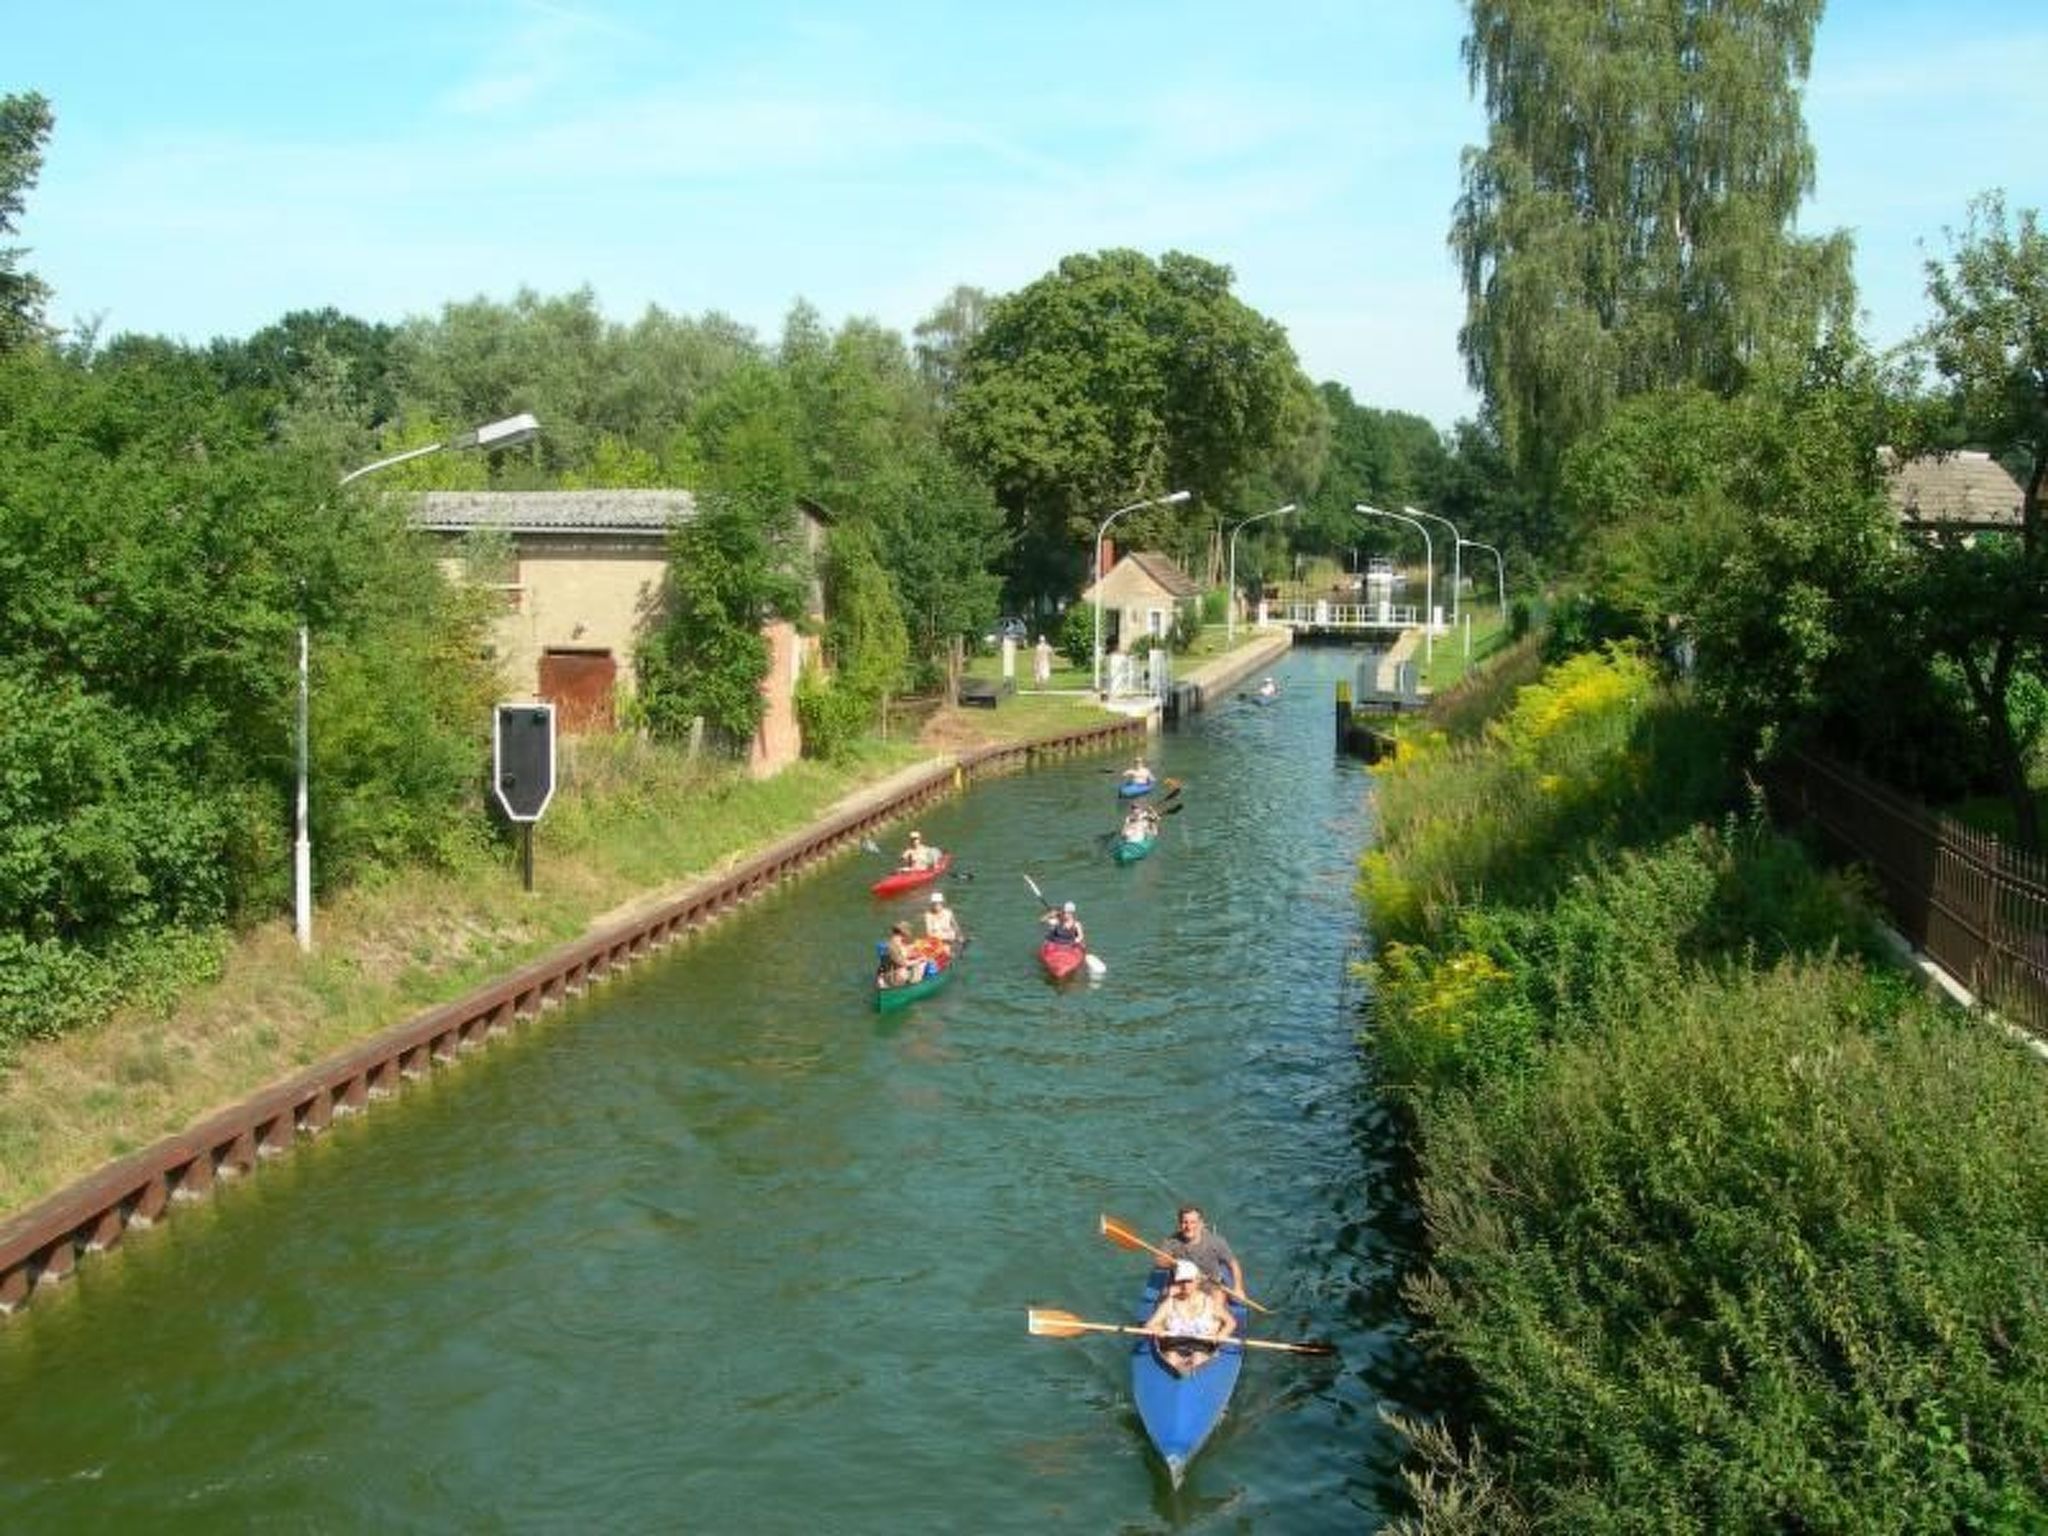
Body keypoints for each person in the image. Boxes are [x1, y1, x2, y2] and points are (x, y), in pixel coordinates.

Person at [1143, 1259, 1238, 1376]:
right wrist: (1156, 1329)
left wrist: (1222, 1334)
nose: (1185, 1285)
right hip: (1174, 1345)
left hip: (1202, 1346)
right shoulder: (1169, 1303)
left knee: (1197, 1358)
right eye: (1181, 1281)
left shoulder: (1210, 1303)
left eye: (1189, 1280)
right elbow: (1149, 1324)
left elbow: (1231, 1322)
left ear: (1197, 1280)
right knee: (1171, 1358)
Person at [1161, 1204, 1245, 1295]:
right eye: (1185, 1222)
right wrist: (1177, 1263)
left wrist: (1238, 1288)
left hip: (1210, 1286)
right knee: (1167, 1295)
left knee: (1218, 1297)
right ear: (1180, 1224)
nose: (1189, 1227)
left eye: (1193, 1222)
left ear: (1201, 1223)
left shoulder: (1216, 1242)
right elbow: (1160, 1261)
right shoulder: (1172, 1241)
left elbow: (1233, 1264)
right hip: (1182, 1286)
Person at [878, 922, 921, 988]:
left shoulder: (892, 943)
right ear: (902, 934)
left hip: (889, 973)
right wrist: (918, 960)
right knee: (921, 965)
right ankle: (914, 986)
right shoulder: (894, 946)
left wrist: (912, 954)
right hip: (895, 978)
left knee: (915, 962)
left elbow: (900, 956)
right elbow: (903, 963)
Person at [922, 890, 963, 957]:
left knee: (949, 946)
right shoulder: (928, 915)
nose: (936, 905)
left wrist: (960, 935)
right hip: (936, 941)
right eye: (934, 903)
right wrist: (942, 936)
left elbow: (955, 926)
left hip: (948, 940)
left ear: (942, 903)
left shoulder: (948, 912)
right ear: (932, 904)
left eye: (938, 903)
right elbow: (928, 932)